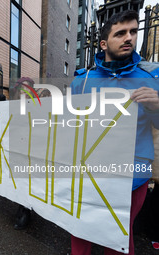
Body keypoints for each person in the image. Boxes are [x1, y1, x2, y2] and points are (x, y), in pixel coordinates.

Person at [70, 10, 159, 255]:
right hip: (88, 174)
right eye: (120, 33)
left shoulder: (152, 77)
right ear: (103, 43)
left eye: (133, 32)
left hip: (133, 178)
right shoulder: (82, 80)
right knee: (80, 231)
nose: (128, 38)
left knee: (119, 236)